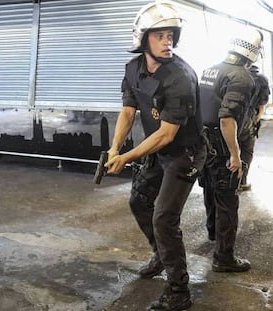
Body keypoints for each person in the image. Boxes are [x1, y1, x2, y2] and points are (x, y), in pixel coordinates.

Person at [105, 2, 206, 310]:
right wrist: (114, 148)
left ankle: (179, 292)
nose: (168, 42)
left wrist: (126, 157)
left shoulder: (181, 77)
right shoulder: (133, 69)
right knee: (138, 201)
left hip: (184, 154)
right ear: (143, 39)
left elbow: (166, 134)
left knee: (164, 217)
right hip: (158, 151)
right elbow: (127, 111)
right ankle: (161, 255)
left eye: (171, 35)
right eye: (160, 35)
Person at [199, 27, 263, 272]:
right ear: (253, 52)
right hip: (222, 145)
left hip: (205, 144)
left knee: (210, 191)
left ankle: (213, 233)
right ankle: (224, 258)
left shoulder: (211, 69)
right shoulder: (242, 77)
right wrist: (235, 156)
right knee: (227, 200)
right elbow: (227, 118)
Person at [238, 65, 270, 191]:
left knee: (230, 150)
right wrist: (255, 121)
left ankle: (229, 180)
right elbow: (262, 106)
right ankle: (241, 181)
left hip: (230, 118)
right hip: (248, 119)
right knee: (246, 151)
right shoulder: (261, 79)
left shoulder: (233, 74)